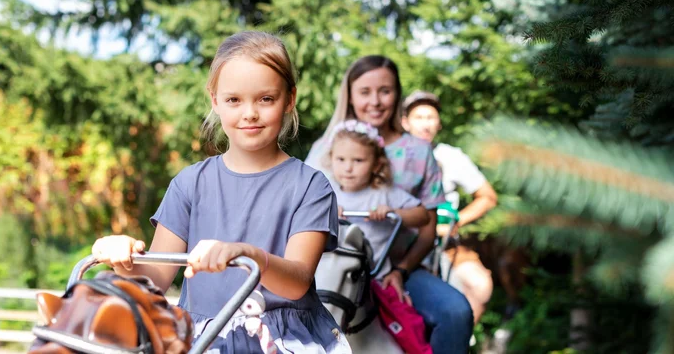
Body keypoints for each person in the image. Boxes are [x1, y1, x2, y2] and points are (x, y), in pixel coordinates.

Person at [91, 31, 351, 353]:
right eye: (234, 100)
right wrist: (124, 259)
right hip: (202, 340)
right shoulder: (189, 184)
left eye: (266, 99)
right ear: (215, 101)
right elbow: (155, 279)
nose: (250, 113)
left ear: (289, 99)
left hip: (283, 342)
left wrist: (249, 255)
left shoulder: (311, 186)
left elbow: (297, 282)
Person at [306, 55, 473, 354]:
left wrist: (403, 270)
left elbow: (427, 226)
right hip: (331, 265)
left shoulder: (418, 151)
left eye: (385, 90)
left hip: (393, 268)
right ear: (351, 96)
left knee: (455, 312)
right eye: (365, 92)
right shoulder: (327, 148)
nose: (375, 101)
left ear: (397, 95)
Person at [327, 119, 432, 353]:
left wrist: (394, 212)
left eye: (358, 160)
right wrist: (326, 212)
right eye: (341, 160)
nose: (348, 167)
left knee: (409, 327)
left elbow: (423, 216)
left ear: (376, 164)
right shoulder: (326, 193)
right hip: (337, 279)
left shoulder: (383, 194)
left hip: (377, 280)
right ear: (331, 159)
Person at [402, 90, 497, 324]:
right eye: (419, 117)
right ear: (405, 122)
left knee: (480, 285)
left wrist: (457, 221)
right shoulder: (392, 154)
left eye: (431, 118)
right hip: (402, 244)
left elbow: (487, 196)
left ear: (439, 124)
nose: (425, 124)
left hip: (444, 244)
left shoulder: (451, 157)